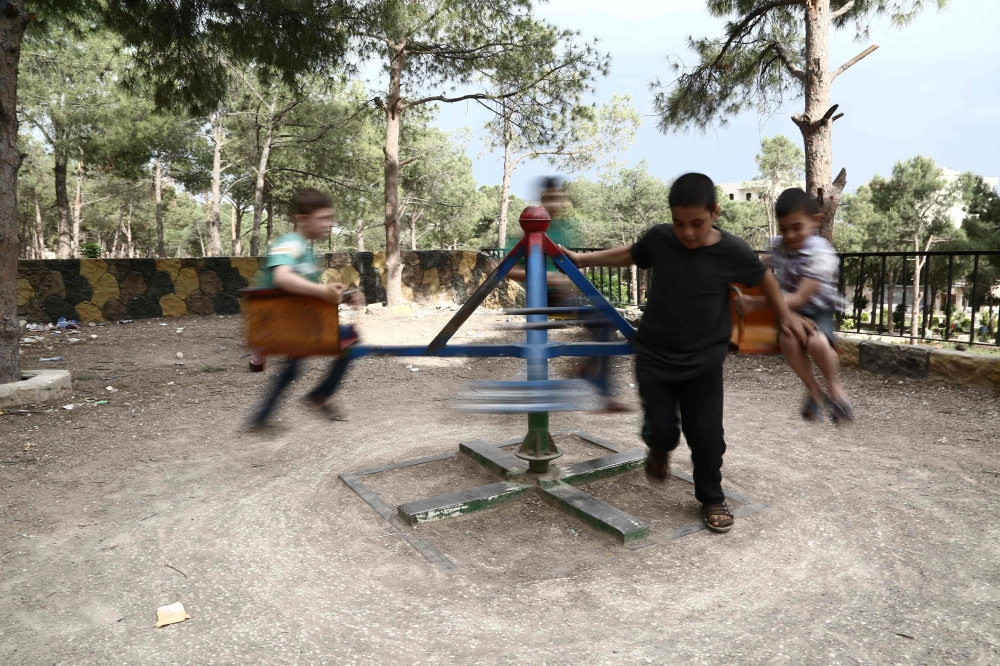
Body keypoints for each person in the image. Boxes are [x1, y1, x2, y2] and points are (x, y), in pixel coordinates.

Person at [562, 173, 813, 533]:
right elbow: (632, 255)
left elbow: (764, 279)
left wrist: (784, 313)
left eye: (697, 223)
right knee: (663, 430)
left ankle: (711, 497)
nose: (688, 233)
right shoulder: (660, 239)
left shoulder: (732, 250)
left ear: (715, 212)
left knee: (708, 437)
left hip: (703, 363)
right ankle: (659, 449)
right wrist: (584, 260)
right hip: (655, 356)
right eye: (680, 223)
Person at [506, 177, 630, 412]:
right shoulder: (529, 229)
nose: (554, 204)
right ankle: (596, 387)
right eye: (549, 198)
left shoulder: (566, 230)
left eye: (558, 198)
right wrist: (549, 277)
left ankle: (600, 387)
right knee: (601, 322)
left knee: (607, 322)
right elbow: (505, 268)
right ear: (542, 201)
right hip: (542, 298)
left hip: (563, 299)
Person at [247, 188, 365, 430]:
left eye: (330, 219)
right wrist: (323, 292)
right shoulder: (291, 244)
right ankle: (320, 395)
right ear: (302, 219)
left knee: (292, 368)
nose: (328, 224)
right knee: (350, 340)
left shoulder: (306, 252)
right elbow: (282, 277)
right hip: (281, 325)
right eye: (322, 218)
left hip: (295, 323)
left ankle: (261, 417)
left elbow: (306, 295)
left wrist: (342, 298)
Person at [769, 188, 853, 423]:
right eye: (784, 229)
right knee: (786, 338)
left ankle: (836, 390)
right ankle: (813, 390)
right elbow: (761, 265)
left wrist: (759, 303)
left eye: (797, 228)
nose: (790, 235)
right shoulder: (782, 245)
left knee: (816, 340)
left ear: (815, 221)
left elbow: (800, 297)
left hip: (817, 310)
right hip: (791, 313)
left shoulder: (820, 254)